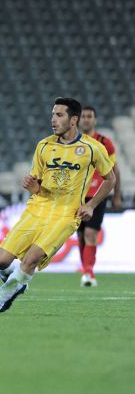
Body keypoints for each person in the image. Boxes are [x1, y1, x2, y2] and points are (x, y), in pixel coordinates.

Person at [0, 97, 116, 315]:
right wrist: (33, 187)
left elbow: (110, 179)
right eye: (52, 115)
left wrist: (91, 205)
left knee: (31, 259)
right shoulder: (44, 146)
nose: (53, 119)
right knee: (1, 262)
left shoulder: (92, 148)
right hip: (38, 209)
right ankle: (17, 282)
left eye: (59, 115)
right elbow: (37, 183)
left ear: (73, 120)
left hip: (66, 214)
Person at [76, 105, 122, 287]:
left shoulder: (105, 142)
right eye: (84, 116)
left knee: (91, 234)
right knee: (81, 236)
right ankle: (86, 270)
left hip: (98, 196)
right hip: (77, 197)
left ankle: (88, 272)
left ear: (95, 120)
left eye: (90, 116)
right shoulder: (73, 142)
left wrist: (117, 195)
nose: (86, 119)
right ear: (78, 120)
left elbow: (115, 170)